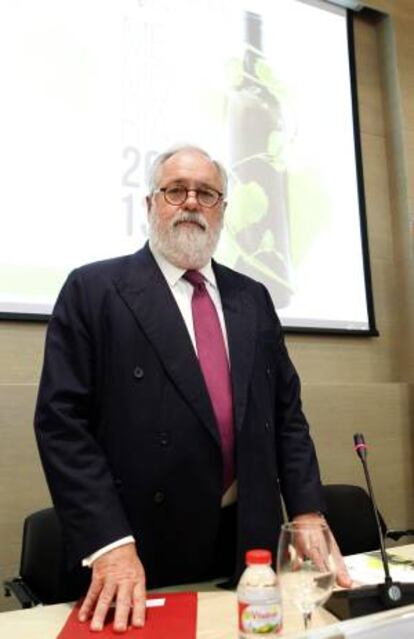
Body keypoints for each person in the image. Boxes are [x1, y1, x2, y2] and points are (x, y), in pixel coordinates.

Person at [34, 144, 351, 633]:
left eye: (206, 193)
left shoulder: (254, 297)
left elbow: (285, 414)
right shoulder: (93, 289)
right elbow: (61, 424)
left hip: (247, 546)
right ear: (148, 204)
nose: (190, 202)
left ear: (222, 210)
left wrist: (306, 511)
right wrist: (110, 543)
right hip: (137, 550)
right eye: (175, 190)